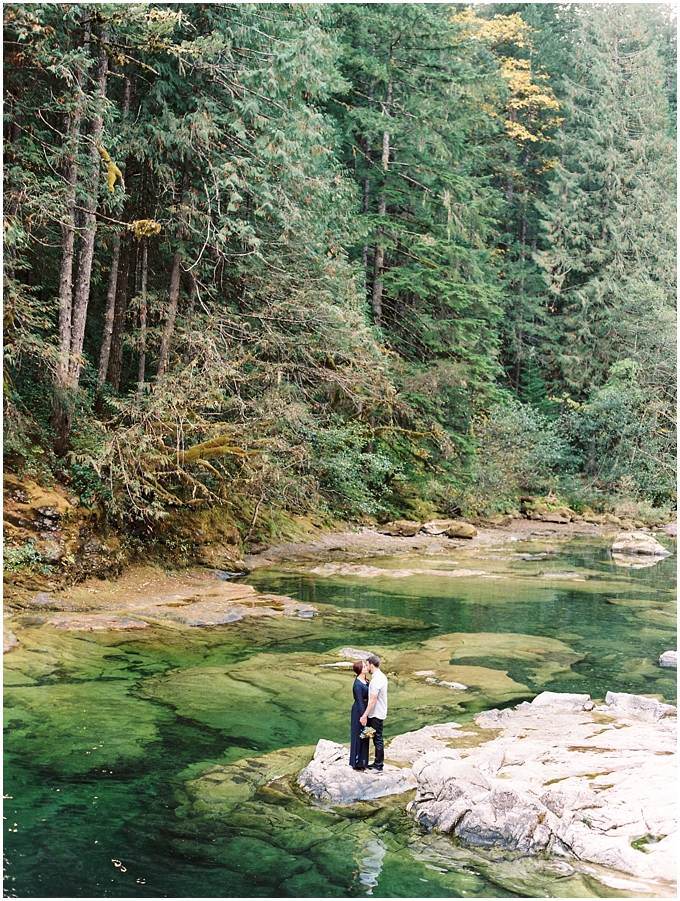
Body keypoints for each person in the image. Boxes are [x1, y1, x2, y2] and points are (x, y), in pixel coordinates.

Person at [359, 655, 388, 771]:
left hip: (376, 714)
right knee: (376, 738)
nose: (367, 668)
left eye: (367, 665)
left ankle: (379, 765)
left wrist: (364, 716)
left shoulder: (377, 680)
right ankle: (376, 762)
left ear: (371, 664)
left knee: (378, 739)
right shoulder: (380, 677)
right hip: (378, 712)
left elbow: (372, 701)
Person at [349, 660, 370, 770]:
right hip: (359, 711)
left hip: (366, 709)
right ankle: (357, 762)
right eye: (364, 666)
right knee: (358, 735)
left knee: (365, 735)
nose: (367, 667)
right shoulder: (357, 684)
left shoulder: (366, 681)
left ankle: (364, 761)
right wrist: (363, 716)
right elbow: (359, 701)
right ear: (360, 670)